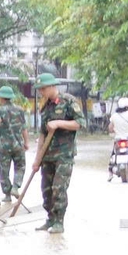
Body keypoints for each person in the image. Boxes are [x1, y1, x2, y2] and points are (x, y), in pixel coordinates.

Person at [33, 75, 83, 233]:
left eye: (43, 89)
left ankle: (59, 222)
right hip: (48, 156)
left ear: (52, 87)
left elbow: (80, 123)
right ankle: (50, 219)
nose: (41, 92)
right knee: (46, 189)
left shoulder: (68, 101)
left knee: (58, 188)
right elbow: (42, 134)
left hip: (64, 155)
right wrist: (37, 159)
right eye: (39, 89)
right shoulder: (45, 107)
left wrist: (59, 123)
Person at [0, 87, 27, 206]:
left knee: (3, 170)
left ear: (1, 97)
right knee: (20, 166)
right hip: (18, 144)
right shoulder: (20, 110)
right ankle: (16, 186)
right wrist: (26, 142)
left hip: (3, 146)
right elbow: (24, 128)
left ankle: (7, 195)